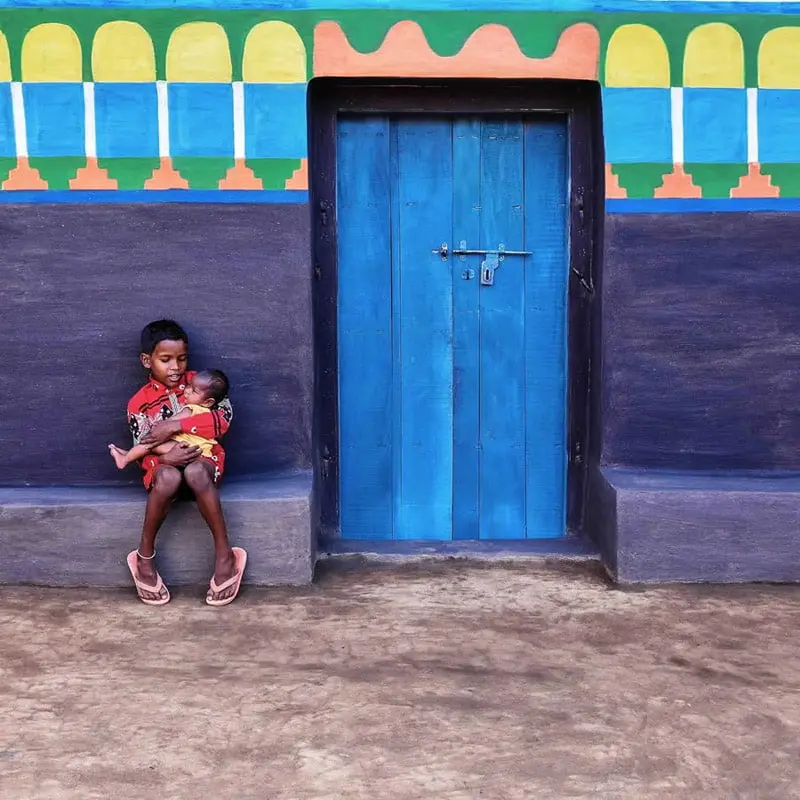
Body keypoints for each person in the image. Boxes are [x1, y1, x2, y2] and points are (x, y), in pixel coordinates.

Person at [123, 320, 247, 608]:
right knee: (168, 478)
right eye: (165, 360)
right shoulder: (138, 403)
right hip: (162, 462)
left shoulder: (201, 383)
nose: (175, 367)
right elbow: (143, 440)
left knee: (194, 472)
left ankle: (224, 556)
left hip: (202, 459)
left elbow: (222, 419)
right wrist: (168, 453)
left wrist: (175, 425)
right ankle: (144, 559)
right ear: (147, 360)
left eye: (181, 358)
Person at [109, 369, 230, 470]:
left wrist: (163, 428)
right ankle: (129, 455)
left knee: (151, 443)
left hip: (188, 448)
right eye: (188, 386)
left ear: (208, 401)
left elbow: (168, 424)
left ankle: (126, 459)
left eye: (193, 390)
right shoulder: (207, 409)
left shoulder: (190, 409)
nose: (186, 391)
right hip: (203, 451)